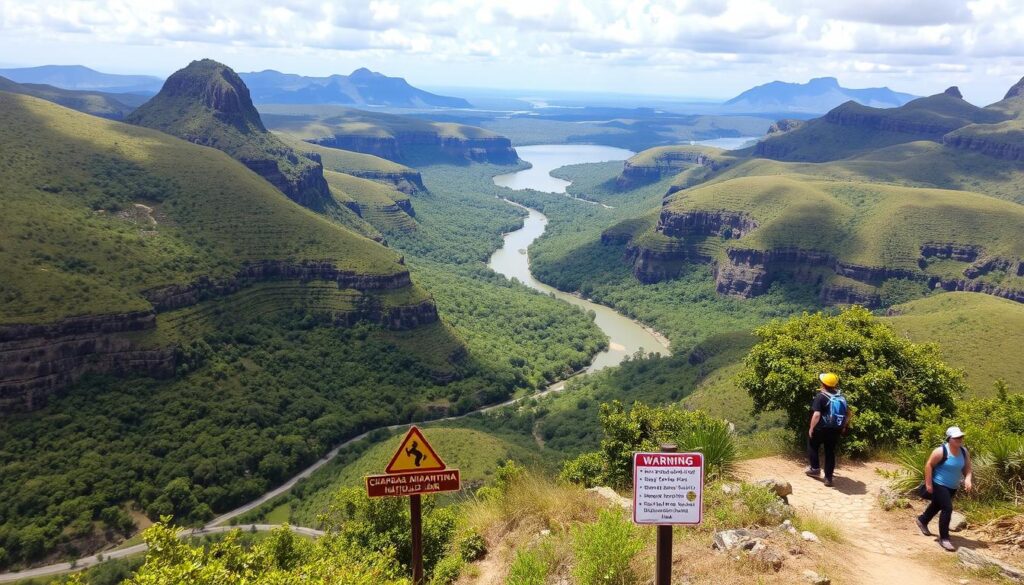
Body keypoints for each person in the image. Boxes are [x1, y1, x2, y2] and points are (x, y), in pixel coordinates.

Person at [916, 426, 973, 551]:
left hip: (953, 486)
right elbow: (929, 465)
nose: (959, 439)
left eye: (961, 436)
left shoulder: (964, 452)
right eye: (956, 437)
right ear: (949, 439)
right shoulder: (941, 451)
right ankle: (944, 538)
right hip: (939, 483)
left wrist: (968, 479)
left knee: (937, 505)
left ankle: (922, 520)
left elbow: (967, 468)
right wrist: (929, 484)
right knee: (947, 508)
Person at [805, 372, 849, 487]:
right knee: (830, 452)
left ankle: (815, 469)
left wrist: (811, 428)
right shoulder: (841, 397)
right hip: (835, 429)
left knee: (812, 445)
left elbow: (816, 415)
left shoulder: (821, 396)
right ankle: (828, 478)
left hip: (821, 428)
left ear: (823, 383)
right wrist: (843, 426)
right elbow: (847, 414)